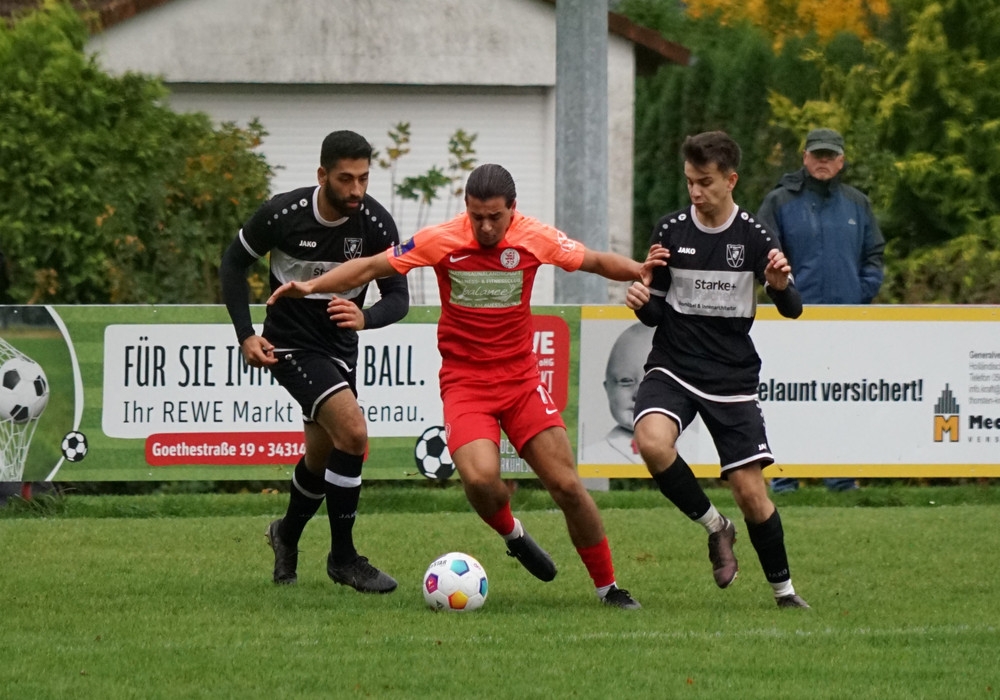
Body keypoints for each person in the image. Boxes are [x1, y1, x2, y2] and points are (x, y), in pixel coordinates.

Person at [268, 163, 668, 609]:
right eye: (477, 216)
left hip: (521, 380)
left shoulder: (534, 236)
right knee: (479, 478)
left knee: (568, 487)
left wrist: (638, 269)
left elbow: (593, 260)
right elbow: (370, 266)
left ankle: (609, 588)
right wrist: (312, 286)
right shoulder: (443, 239)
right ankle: (513, 533)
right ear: (466, 209)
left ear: (512, 209)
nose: (485, 226)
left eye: (495, 217)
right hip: (466, 383)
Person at [625, 131, 810, 609]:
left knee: (750, 492)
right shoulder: (670, 231)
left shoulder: (754, 236)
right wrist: (641, 299)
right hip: (673, 365)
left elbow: (792, 308)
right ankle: (716, 527)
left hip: (731, 376)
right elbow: (656, 313)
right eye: (689, 181)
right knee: (651, 441)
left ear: (731, 180)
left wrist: (778, 286)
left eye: (705, 182)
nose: (695, 191)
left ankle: (785, 594)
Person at [219, 130, 410, 592]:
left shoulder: (376, 224)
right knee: (354, 432)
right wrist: (246, 334)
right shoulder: (282, 214)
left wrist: (365, 317)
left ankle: (285, 534)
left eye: (363, 178)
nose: (356, 190)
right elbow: (232, 264)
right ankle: (343, 558)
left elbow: (399, 297)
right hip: (289, 345)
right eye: (346, 179)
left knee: (322, 458)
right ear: (322, 174)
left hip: (339, 350)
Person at [757, 127, 885, 493]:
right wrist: (785, 296)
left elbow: (874, 255)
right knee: (790, 396)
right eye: (817, 155)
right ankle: (784, 479)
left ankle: (840, 478)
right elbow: (763, 255)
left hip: (846, 321)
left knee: (842, 396)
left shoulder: (858, 203)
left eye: (830, 156)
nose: (823, 161)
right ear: (805, 157)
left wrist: (860, 293)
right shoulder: (779, 201)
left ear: (841, 161)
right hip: (794, 321)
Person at [582, 322, 652, 465]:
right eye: (626, 381)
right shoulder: (593, 457)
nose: (639, 394)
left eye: (653, 381)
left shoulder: (694, 446)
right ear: (607, 389)